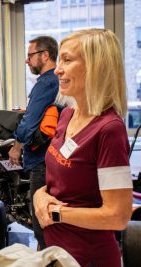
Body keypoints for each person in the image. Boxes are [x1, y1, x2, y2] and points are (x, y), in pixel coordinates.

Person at [33, 29, 133, 266]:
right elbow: (66, 182)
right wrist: (39, 196)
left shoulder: (109, 129)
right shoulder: (67, 114)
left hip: (88, 257)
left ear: (96, 67)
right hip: (57, 251)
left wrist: (55, 214)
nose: (57, 69)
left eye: (67, 60)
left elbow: (118, 216)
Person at [8, 36, 59, 249]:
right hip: (50, 160)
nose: (27, 61)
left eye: (30, 56)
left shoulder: (47, 81)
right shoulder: (55, 82)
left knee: (41, 223)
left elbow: (30, 122)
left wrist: (17, 146)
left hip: (41, 162)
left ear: (45, 55)